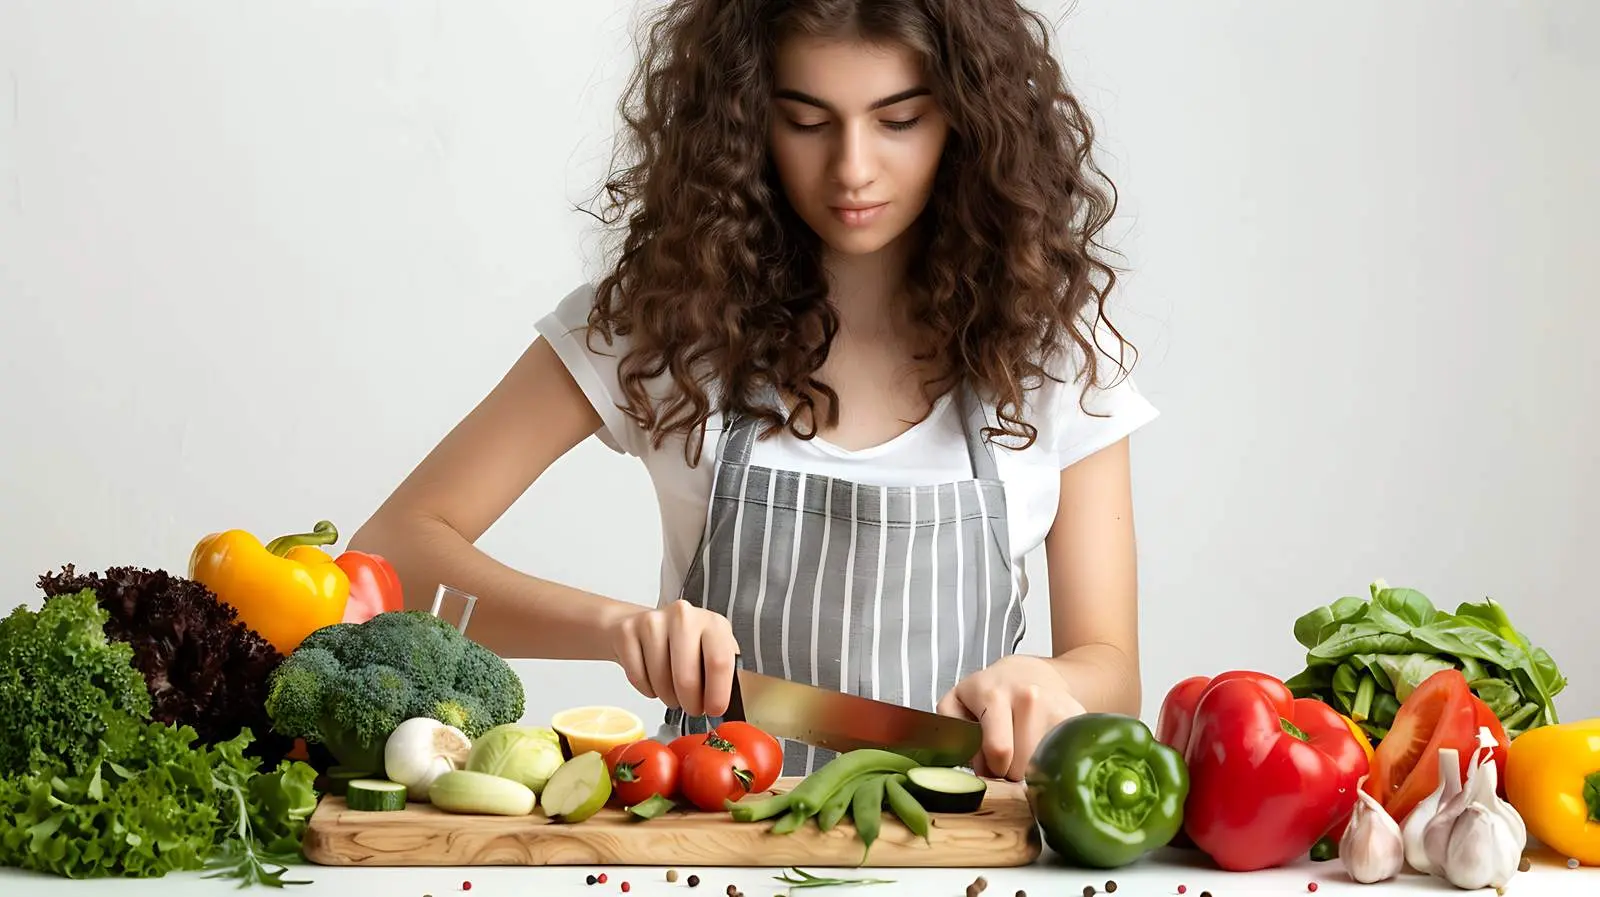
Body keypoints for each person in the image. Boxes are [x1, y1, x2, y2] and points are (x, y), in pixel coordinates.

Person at [349, 0, 1158, 782]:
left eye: (899, 119)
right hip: (707, 847)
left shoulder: (1051, 346)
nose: (852, 167)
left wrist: (1052, 684)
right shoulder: (661, 323)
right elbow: (390, 550)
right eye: (805, 120)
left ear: (966, 119)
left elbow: (1114, 671)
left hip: (964, 857)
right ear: (744, 118)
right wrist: (619, 628)